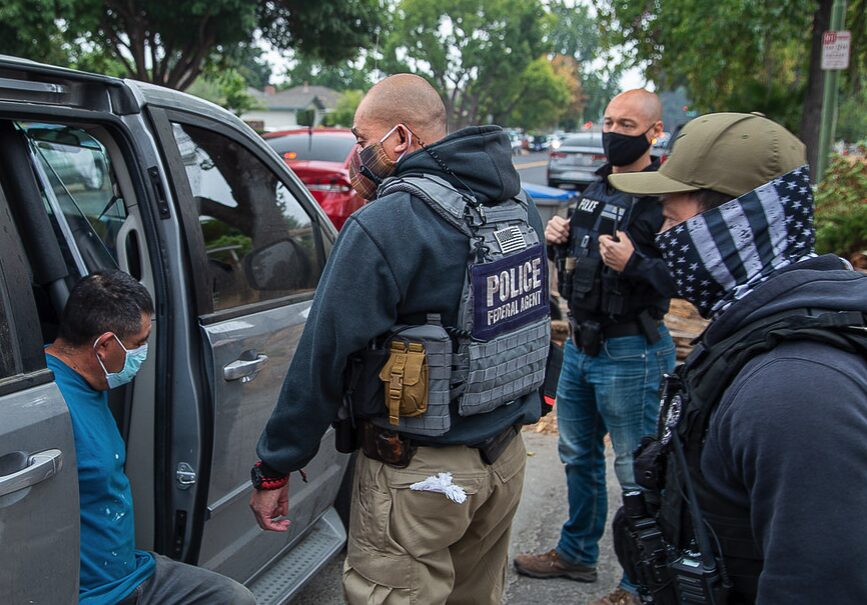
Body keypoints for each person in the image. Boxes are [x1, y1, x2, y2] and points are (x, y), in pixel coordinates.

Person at [249, 73, 549, 604]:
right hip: (503, 464)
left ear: (402, 139)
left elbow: (323, 356)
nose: (357, 156)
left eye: (363, 140)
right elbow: (535, 312)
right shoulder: (517, 205)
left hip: (419, 479)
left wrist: (276, 466)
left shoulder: (387, 222)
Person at [607, 112, 867, 603]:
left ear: (737, 225)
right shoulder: (753, 332)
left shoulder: (797, 389)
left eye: (672, 220)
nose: (662, 238)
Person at [513, 89, 677, 605]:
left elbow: (687, 276)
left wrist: (636, 264)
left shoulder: (665, 198)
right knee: (578, 456)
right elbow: (577, 265)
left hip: (632, 352)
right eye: (608, 122)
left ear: (654, 132)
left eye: (627, 125)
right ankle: (577, 553)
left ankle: (640, 583)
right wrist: (556, 238)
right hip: (582, 349)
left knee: (637, 469)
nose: (613, 133)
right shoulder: (596, 186)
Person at [45, 270, 255, 605]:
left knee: (234, 598)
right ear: (104, 346)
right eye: (139, 343)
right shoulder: (50, 405)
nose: (143, 353)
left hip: (129, 572)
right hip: (94, 594)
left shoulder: (88, 379)